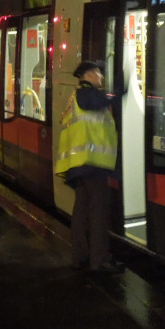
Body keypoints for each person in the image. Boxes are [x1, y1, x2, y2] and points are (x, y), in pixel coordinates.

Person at [55, 60, 124, 274]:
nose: (101, 78)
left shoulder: (75, 98)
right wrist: (122, 91)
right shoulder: (84, 95)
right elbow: (99, 101)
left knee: (82, 212)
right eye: (98, 74)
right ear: (89, 75)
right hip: (91, 164)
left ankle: (80, 256)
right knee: (99, 212)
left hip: (80, 165)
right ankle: (100, 260)